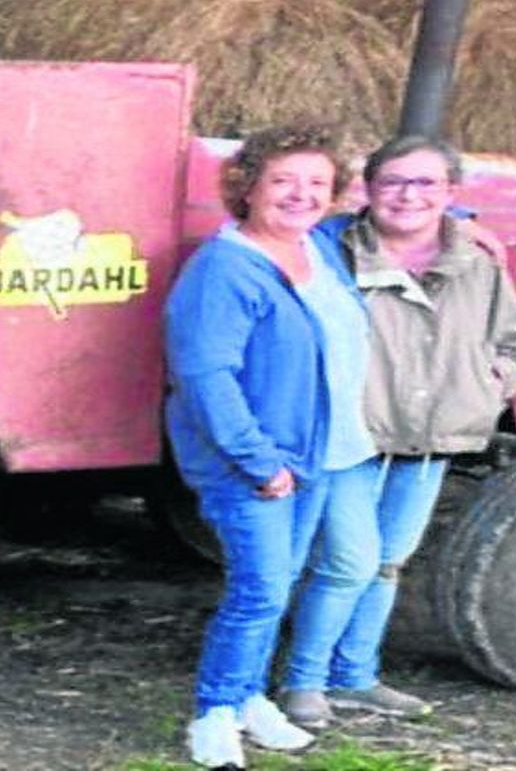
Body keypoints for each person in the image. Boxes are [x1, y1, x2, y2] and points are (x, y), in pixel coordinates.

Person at [279, 135, 516, 726]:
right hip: (353, 437)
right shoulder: (331, 251)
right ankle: (304, 682)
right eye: (393, 182)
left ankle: (355, 677)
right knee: (347, 561)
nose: (408, 195)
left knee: (387, 562)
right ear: (367, 192)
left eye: (426, 183)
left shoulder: (476, 263)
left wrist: (485, 385)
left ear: (451, 193)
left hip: (430, 438)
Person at [164, 124, 377, 768]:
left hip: (314, 454)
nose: (300, 194)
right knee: (258, 591)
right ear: (247, 187)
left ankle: (253, 698)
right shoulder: (225, 267)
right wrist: (258, 460)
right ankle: (215, 713)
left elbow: (411, 213)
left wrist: (465, 220)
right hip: (257, 462)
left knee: (279, 584)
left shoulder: (319, 249)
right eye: (283, 180)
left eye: (317, 183)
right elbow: (205, 373)